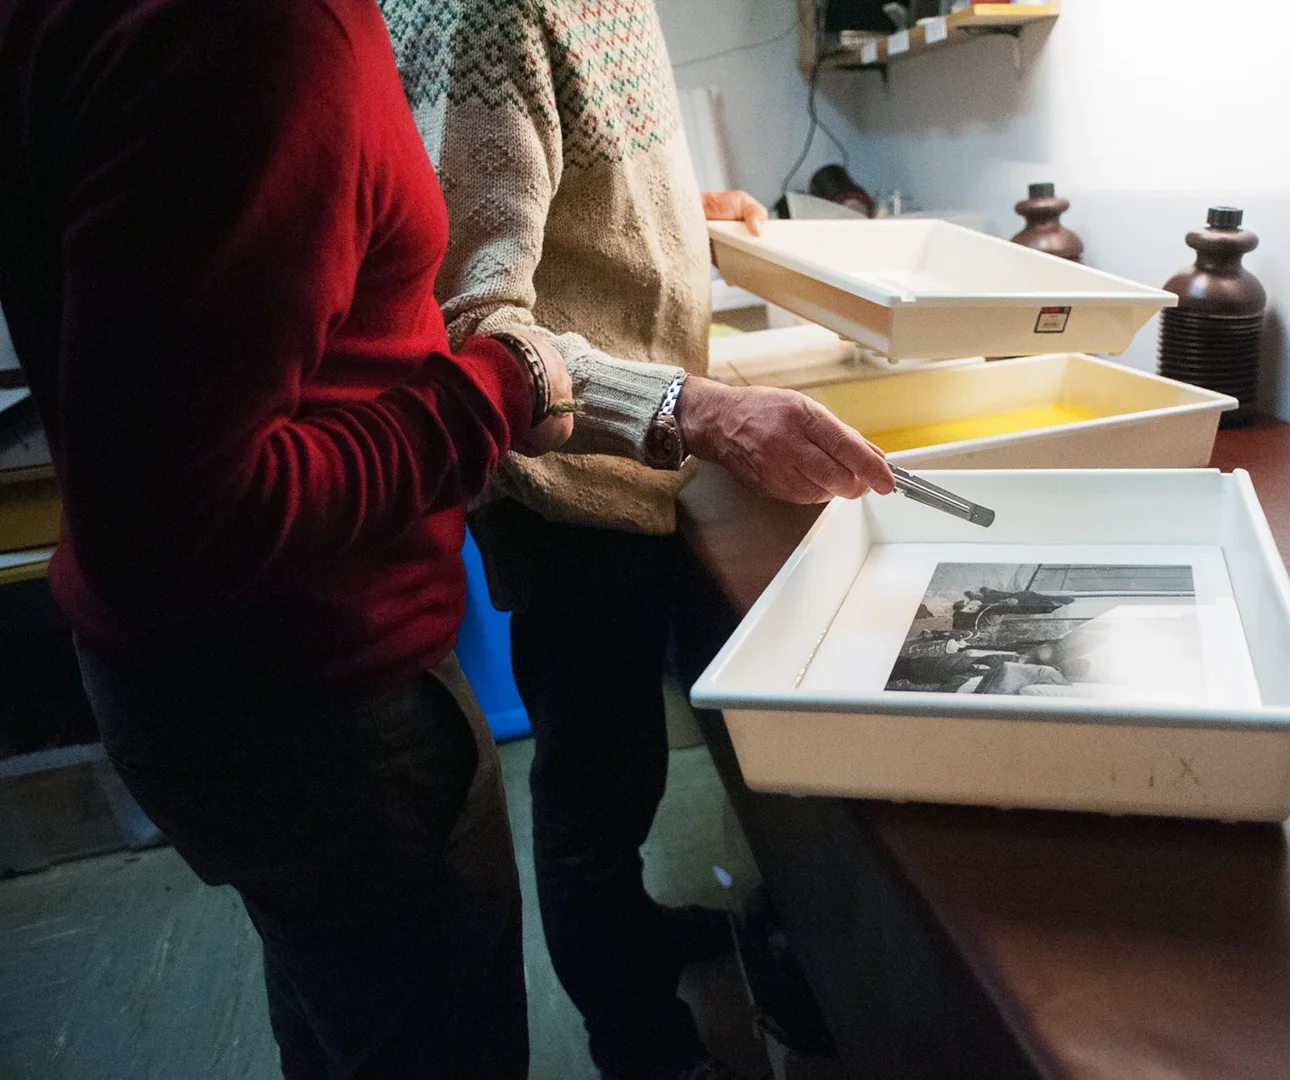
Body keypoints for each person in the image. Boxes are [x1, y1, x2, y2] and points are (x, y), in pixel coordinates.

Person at [0, 2, 890, 1077]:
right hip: (317, 691)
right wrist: (506, 396)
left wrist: (664, 221)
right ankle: (641, 1039)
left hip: (223, 678)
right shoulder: (268, 33)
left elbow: (245, 260)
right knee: (496, 927)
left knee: (342, 1001)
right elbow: (190, 508)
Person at [382, 6, 881, 1079]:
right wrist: (699, 412)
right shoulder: (489, 11)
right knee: (592, 800)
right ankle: (639, 1041)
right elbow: (470, 318)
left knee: (631, 766)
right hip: (567, 477)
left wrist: (675, 219)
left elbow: (550, 197)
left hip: (642, 451)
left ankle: (639, 938)